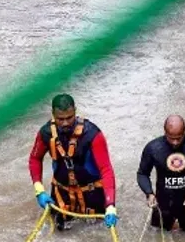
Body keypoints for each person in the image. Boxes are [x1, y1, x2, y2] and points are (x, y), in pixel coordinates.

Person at [29, 94, 118, 230]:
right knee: (59, 232)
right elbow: (35, 159)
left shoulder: (92, 134)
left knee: (97, 234)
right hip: (61, 194)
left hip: (92, 194)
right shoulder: (46, 133)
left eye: (69, 118)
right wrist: (39, 190)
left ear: (75, 112)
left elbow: (106, 169)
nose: (65, 123)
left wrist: (110, 204)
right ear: (53, 114)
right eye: (60, 119)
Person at [137, 115, 185, 232]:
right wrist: (149, 193)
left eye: (179, 138)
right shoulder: (153, 148)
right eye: (171, 138)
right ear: (165, 131)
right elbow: (142, 173)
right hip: (162, 203)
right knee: (158, 237)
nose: (175, 142)